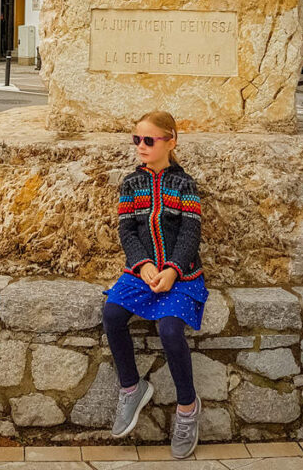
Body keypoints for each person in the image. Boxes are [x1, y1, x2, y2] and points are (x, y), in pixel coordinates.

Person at [103, 111, 208, 459]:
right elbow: (127, 230)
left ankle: (188, 408)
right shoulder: (131, 184)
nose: (142, 146)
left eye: (149, 140)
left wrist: (174, 270)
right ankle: (131, 388)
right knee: (112, 315)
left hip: (181, 276)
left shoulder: (184, 185)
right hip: (141, 273)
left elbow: (191, 232)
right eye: (137, 140)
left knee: (169, 331)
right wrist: (144, 264)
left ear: (171, 141)